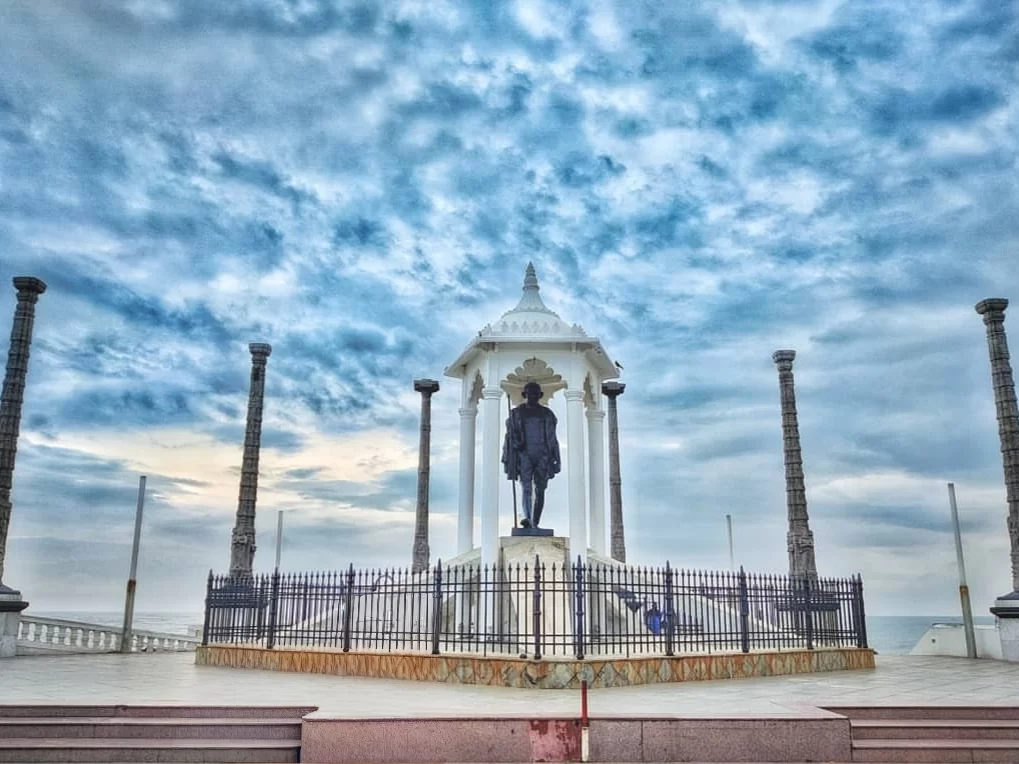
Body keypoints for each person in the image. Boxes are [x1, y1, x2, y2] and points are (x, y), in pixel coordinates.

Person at [502, 381, 562, 527]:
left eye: (536, 394)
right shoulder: (516, 413)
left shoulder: (547, 414)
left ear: (540, 395)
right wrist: (515, 442)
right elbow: (510, 435)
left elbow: (553, 438)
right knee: (526, 487)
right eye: (529, 394)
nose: (533, 397)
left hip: (543, 455)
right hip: (525, 455)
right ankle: (528, 519)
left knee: (540, 490)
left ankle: (535, 521)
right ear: (525, 395)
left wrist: (556, 458)